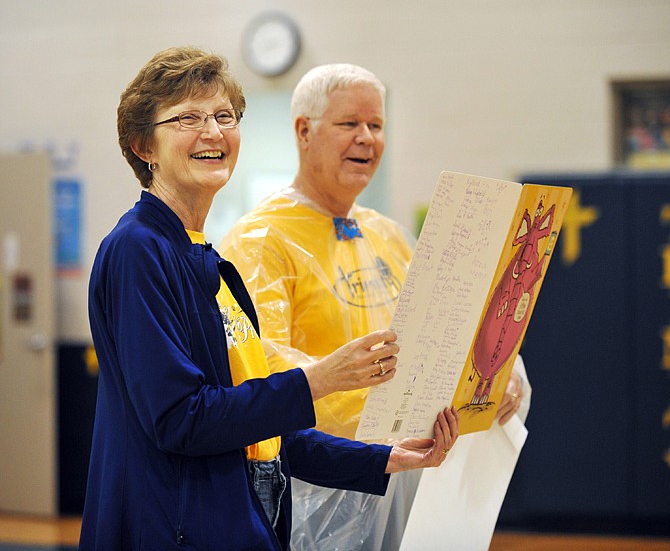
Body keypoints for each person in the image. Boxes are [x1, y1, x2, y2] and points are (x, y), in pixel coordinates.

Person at [78, 47, 460, 551]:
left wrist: (384, 458)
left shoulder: (203, 255)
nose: (213, 132)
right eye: (188, 118)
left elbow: (257, 425)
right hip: (170, 527)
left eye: (224, 116)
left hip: (234, 516)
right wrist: (320, 380)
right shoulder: (137, 250)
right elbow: (181, 420)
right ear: (143, 146)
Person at [220, 63, 530, 550]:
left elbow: (451, 326)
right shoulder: (260, 239)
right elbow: (263, 364)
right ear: (304, 131)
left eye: (377, 125)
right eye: (349, 124)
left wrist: (494, 374)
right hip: (321, 483)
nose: (367, 138)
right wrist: (391, 408)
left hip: (409, 472)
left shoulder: (387, 235)